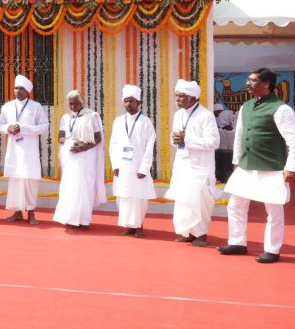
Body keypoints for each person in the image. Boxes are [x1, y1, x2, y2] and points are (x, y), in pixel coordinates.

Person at [217, 68, 295, 263]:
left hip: (272, 167)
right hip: (246, 165)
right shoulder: (246, 106)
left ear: (266, 84)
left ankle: (272, 250)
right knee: (235, 205)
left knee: (274, 210)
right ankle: (237, 242)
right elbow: (239, 136)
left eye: (252, 81)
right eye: (248, 80)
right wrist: (235, 162)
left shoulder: (281, 109)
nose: (247, 84)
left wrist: (292, 167)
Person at [165, 79, 220, 247]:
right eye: (176, 96)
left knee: (200, 200)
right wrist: (176, 141)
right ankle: (186, 232)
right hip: (183, 164)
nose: (177, 99)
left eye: (181, 96)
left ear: (193, 97)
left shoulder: (206, 115)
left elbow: (213, 142)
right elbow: (174, 140)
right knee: (183, 200)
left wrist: (187, 140)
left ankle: (201, 234)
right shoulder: (178, 115)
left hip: (200, 167)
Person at [0, 75, 48, 225]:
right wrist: (8, 128)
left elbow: (44, 127)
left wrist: (23, 129)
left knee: (29, 181)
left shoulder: (36, 106)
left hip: (29, 152)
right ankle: (18, 212)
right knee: (16, 181)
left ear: (28, 91)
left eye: (21, 89)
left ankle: (31, 213)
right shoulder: (7, 106)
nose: (17, 91)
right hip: (14, 151)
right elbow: (0, 126)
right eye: (16, 88)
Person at [53, 90, 106, 229]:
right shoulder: (66, 117)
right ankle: (71, 219)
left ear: (82, 102)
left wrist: (83, 147)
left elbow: (98, 138)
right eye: (70, 104)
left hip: (86, 156)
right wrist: (72, 141)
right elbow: (60, 137)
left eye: (75, 103)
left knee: (84, 187)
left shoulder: (91, 116)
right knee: (70, 187)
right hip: (71, 157)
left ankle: (84, 221)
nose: (72, 106)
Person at [108, 85, 157, 238]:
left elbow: (150, 147)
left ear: (139, 103)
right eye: (126, 101)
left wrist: (144, 168)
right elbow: (113, 144)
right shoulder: (118, 121)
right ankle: (129, 225)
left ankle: (139, 226)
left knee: (138, 197)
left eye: (132, 101)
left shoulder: (146, 122)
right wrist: (115, 164)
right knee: (124, 196)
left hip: (138, 166)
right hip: (122, 165)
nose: (128, 104)